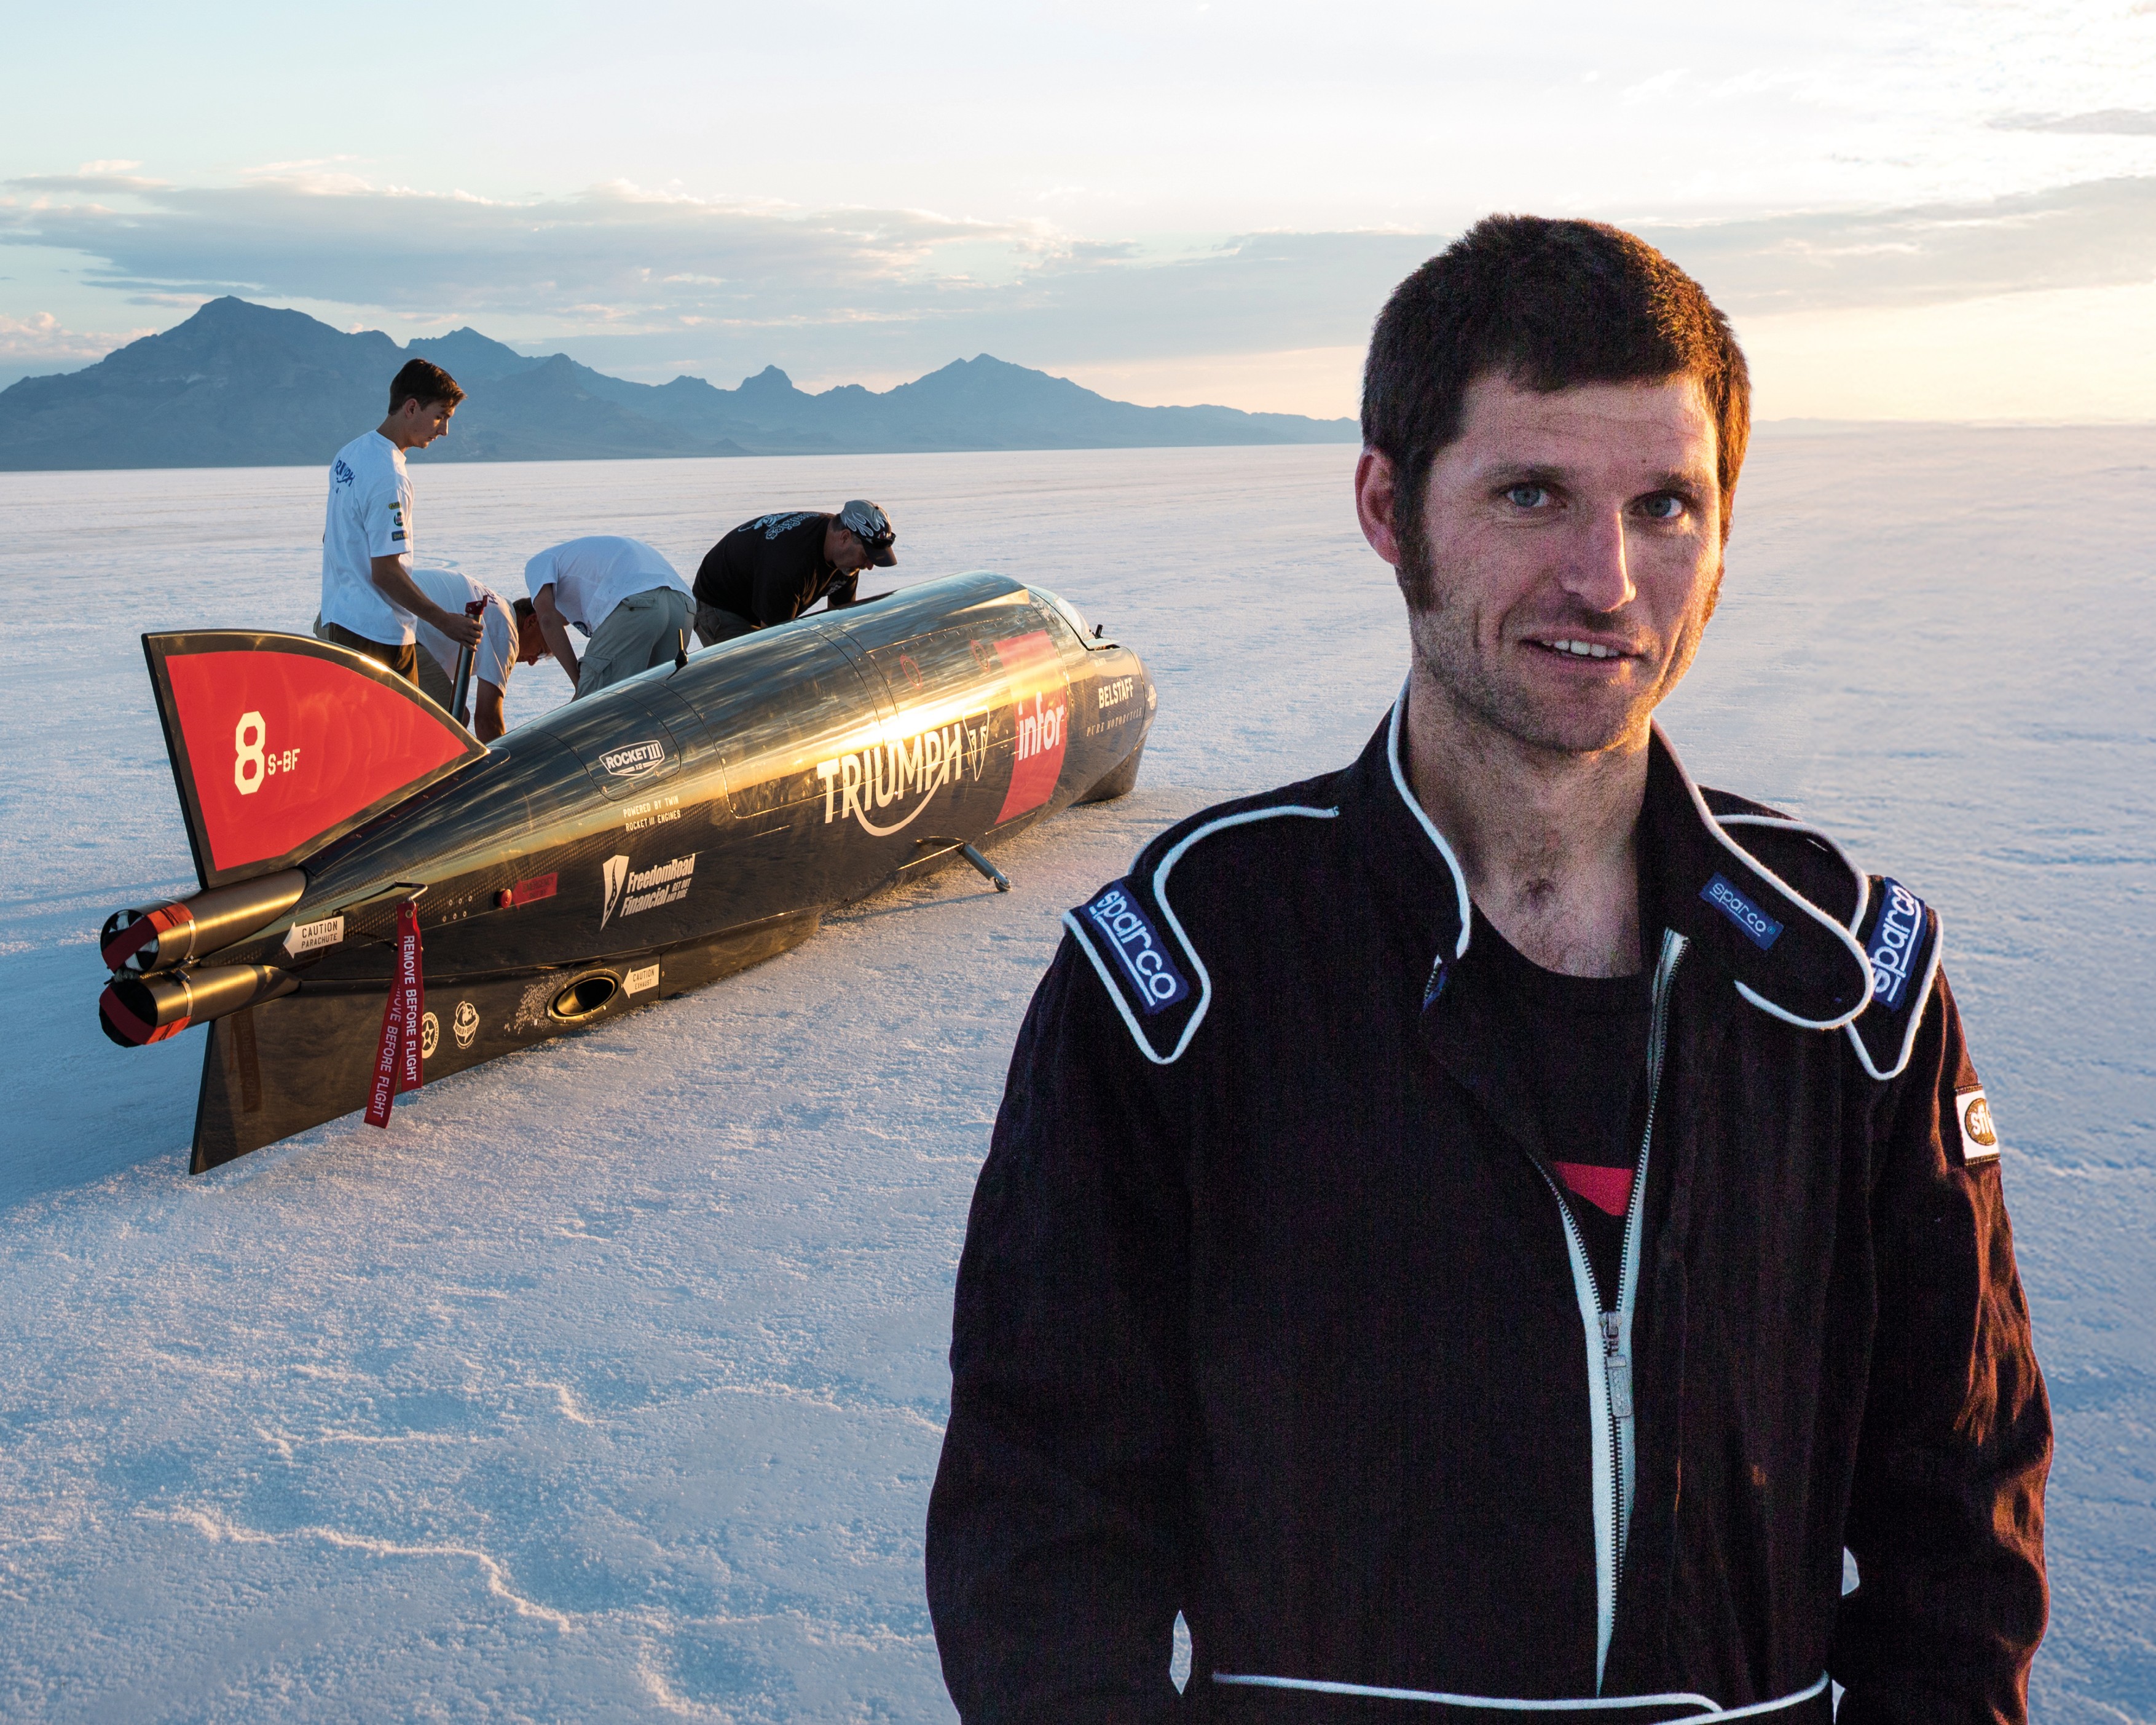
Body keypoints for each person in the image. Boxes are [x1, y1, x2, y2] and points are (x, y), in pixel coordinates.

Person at [926, 218, 2050, 1724]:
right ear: (1388, 508)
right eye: (1532, 494)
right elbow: (1042, 1522)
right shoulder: (1189, 972)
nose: (1606, 580)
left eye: (1665, 506)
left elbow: (1960, 1515)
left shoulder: (1845, 983)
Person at [318, 358, 484, 677]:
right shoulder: (389, 477)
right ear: (411, 408)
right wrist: (444, 621)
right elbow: (386, 573)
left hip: (340, 619)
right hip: (378, 636)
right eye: (440, 416)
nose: (444, 431)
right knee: (400, 713)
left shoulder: (350, 453)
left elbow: (333, 536)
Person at [312, 566, 548, 741]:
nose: (532, 662)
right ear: (531, 622)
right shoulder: (505, 630)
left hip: (335, 617)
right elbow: (488, 721)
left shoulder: (493, 605)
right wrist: (506, 778)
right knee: (450, 719)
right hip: (373, 630)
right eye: (540, 652)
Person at [691, 500, 897, 646]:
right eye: (867, 556)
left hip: (765, 601)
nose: (869, 565)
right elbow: (774, 642)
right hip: (722, 607)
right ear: (844, 538)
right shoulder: (789, 563)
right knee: (755, 676)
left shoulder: (846, 561)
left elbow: (841, 620)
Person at [524, 534, 695, 699]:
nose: (531, 662)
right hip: (682, 605)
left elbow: (548, 620)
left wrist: (581, 686)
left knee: (596, 703)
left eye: (539, 654)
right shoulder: (580, 580)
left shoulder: (539, 562)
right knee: (655, 701)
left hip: (637, 601)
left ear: (530, 622)